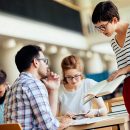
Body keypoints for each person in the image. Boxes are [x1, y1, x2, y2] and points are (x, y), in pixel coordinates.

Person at [4, 45, 71, 130]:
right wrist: (67, 122)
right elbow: (51, 127)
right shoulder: (33, 84)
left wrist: (53, 90)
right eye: (44, 61)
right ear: (36, 62)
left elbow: (49, 120)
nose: (47, 65)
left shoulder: (12, 88)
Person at [92, 1, 130, 114]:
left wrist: (123, 70)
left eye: (103, 27)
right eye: (98, 28)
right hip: (128, 87)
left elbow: (125, 68)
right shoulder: (113, 42)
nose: (101, 31)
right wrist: (116, 74)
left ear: (114, 20)